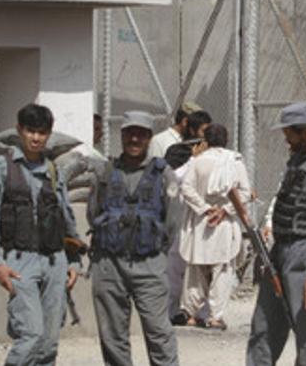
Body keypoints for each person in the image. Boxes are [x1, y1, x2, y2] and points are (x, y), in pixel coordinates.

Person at [0, 103, 81, 366]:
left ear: (49, 134)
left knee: (48, 343)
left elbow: (65, 216)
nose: (35, 138)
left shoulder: (53, 170)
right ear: (19, 130)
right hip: (20, 261)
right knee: (31, 335)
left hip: (55, 260)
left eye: (42, 132)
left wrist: (73, 261)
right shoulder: (0, 167)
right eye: (30, 131)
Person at [246, 102, 306, 366]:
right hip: (279, 252)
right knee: (263, 328)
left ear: (304, 132)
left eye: (289, 132)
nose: (285, 138)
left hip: (302, 257)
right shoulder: (298, 163)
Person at [88, 110, 180, 366]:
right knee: (112, 335)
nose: (135, 139)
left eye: (141, 134)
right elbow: (93, 212)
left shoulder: (164, 175)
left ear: (150, 138)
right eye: (130, 133)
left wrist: (153, 248)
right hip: (109, 264)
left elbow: (173, 221)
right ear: (122, 135)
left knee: (159, 333)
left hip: (148, 264)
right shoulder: (105, 172)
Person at [177, 123, 251, 330]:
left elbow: (186, 187)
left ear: (206, 141)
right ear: (226, 140)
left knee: (196, 268)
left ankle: (190, 312)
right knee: (222, 269)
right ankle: (215, 316)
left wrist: (204, 208)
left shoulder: (198, 162)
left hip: (201, 222)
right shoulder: (234, 161)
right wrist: (224, 210)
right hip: (223, 223)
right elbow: (244, 192)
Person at [164, 108, 213, 324]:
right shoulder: (177, 152)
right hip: (179, 218)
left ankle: (200, 312)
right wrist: (193, 160)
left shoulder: (213, 154)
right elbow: (172, 179)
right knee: (175, 269)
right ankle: (172, 311)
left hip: (202, 219)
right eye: (203, 131)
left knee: (201, 268)